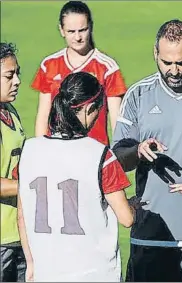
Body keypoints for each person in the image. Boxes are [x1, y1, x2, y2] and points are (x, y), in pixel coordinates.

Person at [112, 19, 182, 282]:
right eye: (166, 62)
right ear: (155, 53)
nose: (174, 70)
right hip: (150, 237)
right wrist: (138, 151)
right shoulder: (139, 95)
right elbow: (117, 158)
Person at [17, 72, 142, 282]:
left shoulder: (29, 150)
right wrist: (135, 205)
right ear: (90, 108)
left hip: (46, 272)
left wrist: (31, 262)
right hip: (95, 273)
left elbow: (23, 214)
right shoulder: (100, 155)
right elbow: (126, 218)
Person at [31, 0, 127, 144]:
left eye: (82, 30)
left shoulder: (107, 68)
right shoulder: (49, 65)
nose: (77, 37)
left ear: (91, 27)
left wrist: (117, 154)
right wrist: (40, 147)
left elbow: (116, 121)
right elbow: (43, 116)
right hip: (57, 150)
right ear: (61, 30)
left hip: (94, 151)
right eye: (71, 31)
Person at [0, 42, 26, 282]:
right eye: (9, 75)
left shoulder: (11, 112)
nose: (17, 80)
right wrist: (33, 186)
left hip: (20, 234)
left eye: (17, 73)